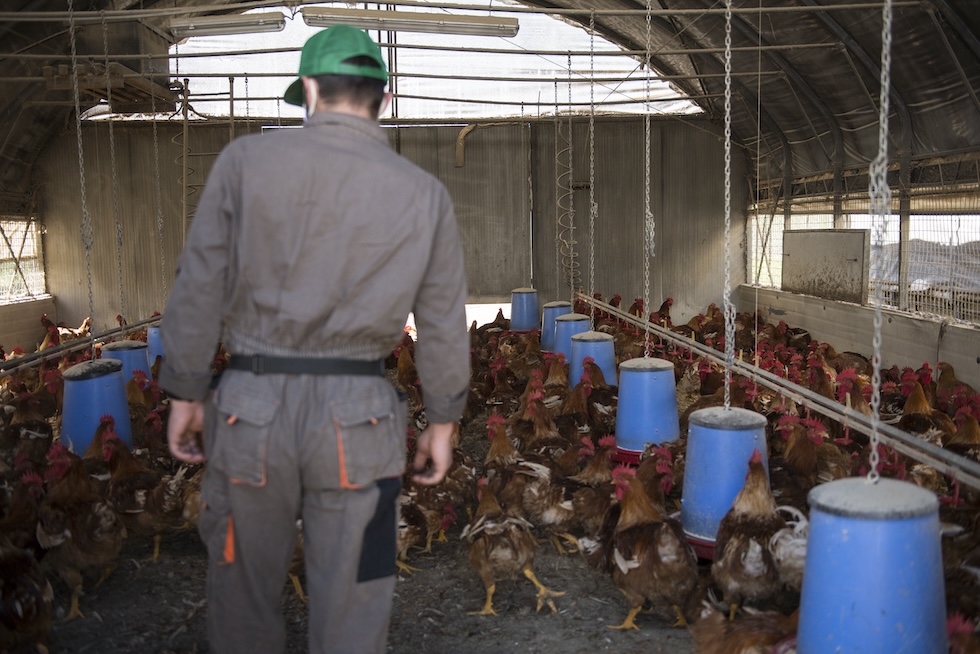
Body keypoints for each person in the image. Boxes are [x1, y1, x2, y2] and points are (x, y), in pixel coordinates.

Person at [159, 25, 469, 654]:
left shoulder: (244, 164)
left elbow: (197, 284)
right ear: (383, 98)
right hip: (360, 422)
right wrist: (443, 420)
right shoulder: (423, 195)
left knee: (242, 597)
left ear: (307, 90)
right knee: (356, 603)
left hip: (252, 412)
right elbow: (441, 319)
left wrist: (186, 391)